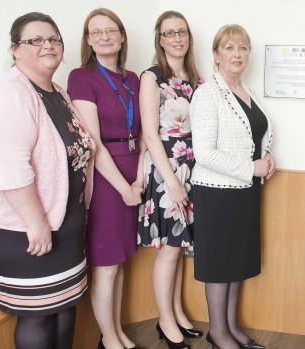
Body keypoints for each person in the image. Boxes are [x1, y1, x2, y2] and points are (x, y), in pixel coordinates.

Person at [0, 12, 95, 349]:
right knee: (38, 316)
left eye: (54, 39)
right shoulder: (9, 94)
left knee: (64, 307)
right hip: (24, 229)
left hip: (65, 224)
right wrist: (36, 222)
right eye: (36, 40)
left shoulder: (56, 92)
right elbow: (8, 168)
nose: (48, 45)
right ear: (15, 49)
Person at [190, 24, 274, 349]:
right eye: (229, 48)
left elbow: (253, 137)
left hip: (245, 191)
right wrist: (250, 168)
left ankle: (232, 327)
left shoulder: (246, 90)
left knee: (236, 262)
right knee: (219, 266)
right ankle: (218, 333)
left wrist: (266, 158)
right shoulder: (208, 93)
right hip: (217, 193)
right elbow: (205, 152)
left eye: (242, 48)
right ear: (216, 55)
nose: (237, 54)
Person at [67, 8, 142, 349]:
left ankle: (119, 332)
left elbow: (143, 133)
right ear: (87, 41)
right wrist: (125, 188)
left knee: (121, 258)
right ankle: (109, 339)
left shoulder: (134, 79)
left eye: (110, 30)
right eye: (95, 32)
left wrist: (139, 179)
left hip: (132, 171)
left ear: (122, 36)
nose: (103, 36)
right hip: (107, 177)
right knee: (107, 263)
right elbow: (93, 143)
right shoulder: (81, 77)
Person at [137, 10, 203, 349]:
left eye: (182, 32)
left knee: (178, 248)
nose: (177, 38)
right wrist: (172, 182)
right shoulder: (152, 76)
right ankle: (165, 319)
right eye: (169, 33)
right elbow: (150, 134)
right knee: (169, 249)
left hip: (191, 167)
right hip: (167, 171)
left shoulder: (194, 76)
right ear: (159, 39)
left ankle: (176, 312)